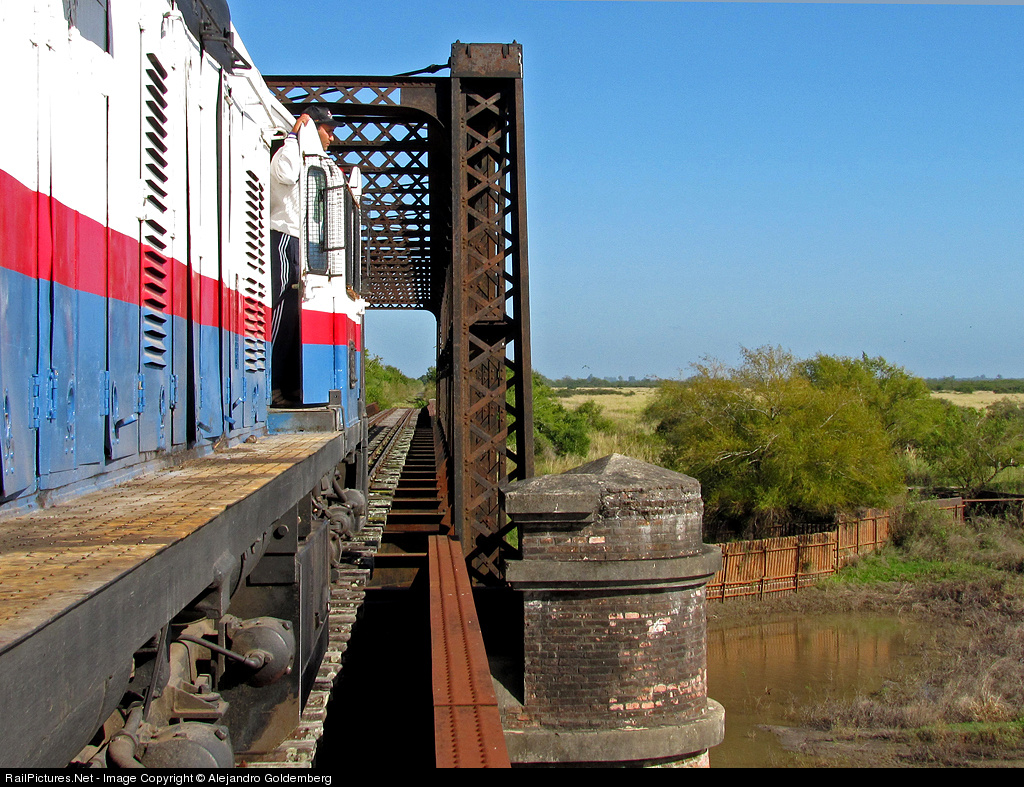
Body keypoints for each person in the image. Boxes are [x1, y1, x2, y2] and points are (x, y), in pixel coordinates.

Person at [268, 106, 338, 406]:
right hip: (285, 236)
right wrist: (294, 135)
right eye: (328, 131)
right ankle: (272, 383)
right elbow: (284, 174)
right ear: (312, 127)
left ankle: (287, 384)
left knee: (297, 316)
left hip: (301, 242)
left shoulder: (311, 159)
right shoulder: (290, 151)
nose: (332, 138)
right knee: (282, 310)